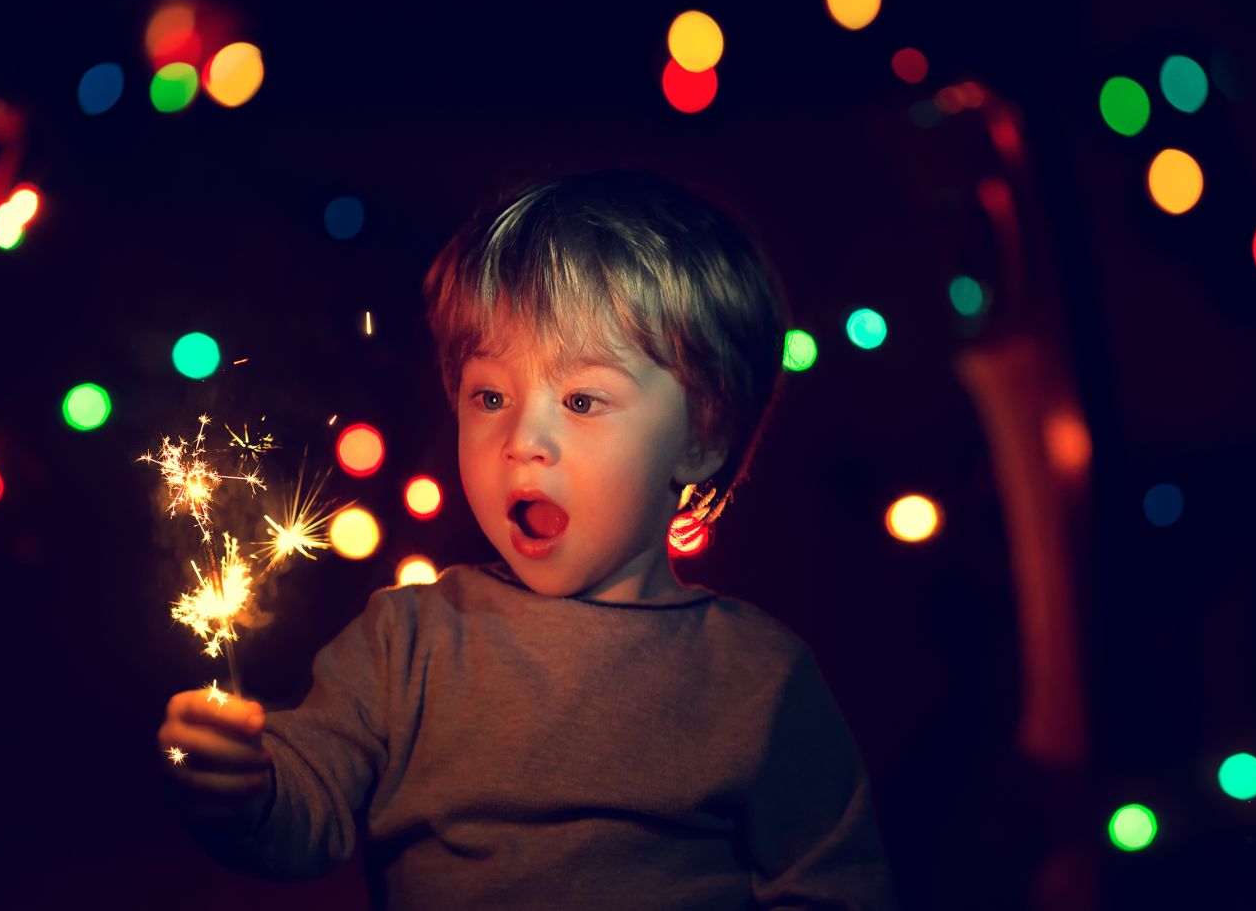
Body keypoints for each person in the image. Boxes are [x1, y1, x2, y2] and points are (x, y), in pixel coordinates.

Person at [158, 170, 897, 909]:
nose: (523, 440)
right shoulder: (406, 643)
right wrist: (243, 783)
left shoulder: (757, 680)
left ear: (701, 440)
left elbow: (836, 889)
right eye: (491, 396)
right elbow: (304, 810)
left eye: (581, 399)